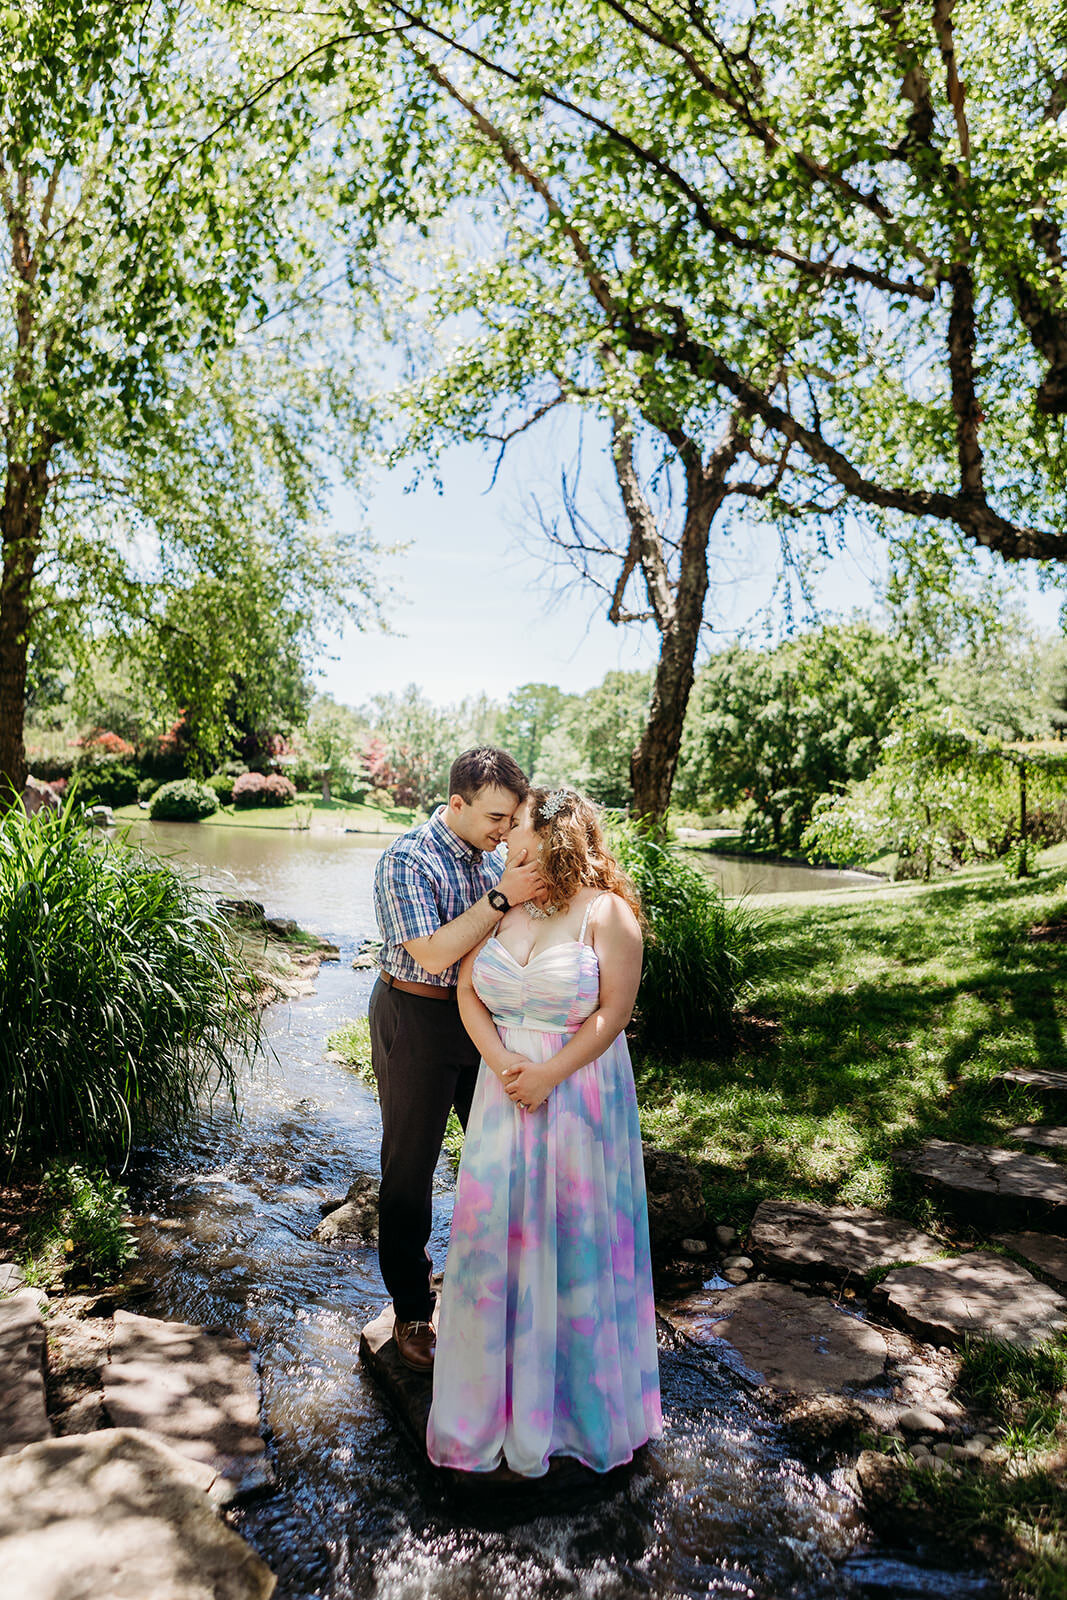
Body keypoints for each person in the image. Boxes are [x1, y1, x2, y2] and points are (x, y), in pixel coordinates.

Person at [426, 786, 662, 1477]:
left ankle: (574, 1410)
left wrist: (549, 1073)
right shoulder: (506, 905)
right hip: (506, 1098)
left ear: (554, 832)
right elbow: (467, 993)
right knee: (496, 1241)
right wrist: (503, 1065)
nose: (504, 839)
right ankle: (489, 1407)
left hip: (578, 1095)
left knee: (573, 1237)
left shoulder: (606, 913)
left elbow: (612, 1013)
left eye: (518, 825)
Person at [370, 747, 544, 1373]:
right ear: (457, 804)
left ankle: (498, 1293)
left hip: (486, 1020)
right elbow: (437, 953)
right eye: (496, 817)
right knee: (410, 1168)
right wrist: (501, 897)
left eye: (511, 818)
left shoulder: (498, 856)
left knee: (503, 1152)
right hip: (415, 1018)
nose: (505, 830)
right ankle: (413, 1310)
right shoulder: (407, 860)